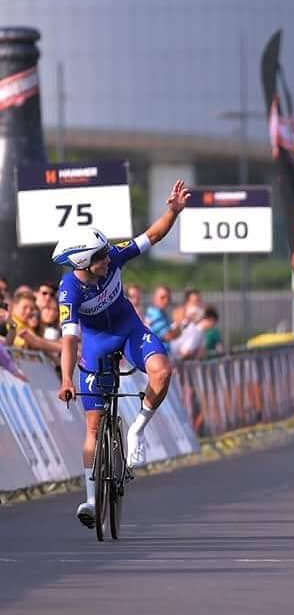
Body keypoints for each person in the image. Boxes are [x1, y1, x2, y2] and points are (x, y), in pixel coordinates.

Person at [52, 180, 191, 529]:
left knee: (162, 372)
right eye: (99, 257)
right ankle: (90, 498)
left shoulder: (112, 256)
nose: (107, 258)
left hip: (129, 330)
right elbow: (69, 340)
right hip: (96, 343)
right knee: (93, 426)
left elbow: (152, 236)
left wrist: (173, 212)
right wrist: (67, 379)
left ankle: (136, 430)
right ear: (83, 262)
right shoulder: (69, 290)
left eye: (105, 254)